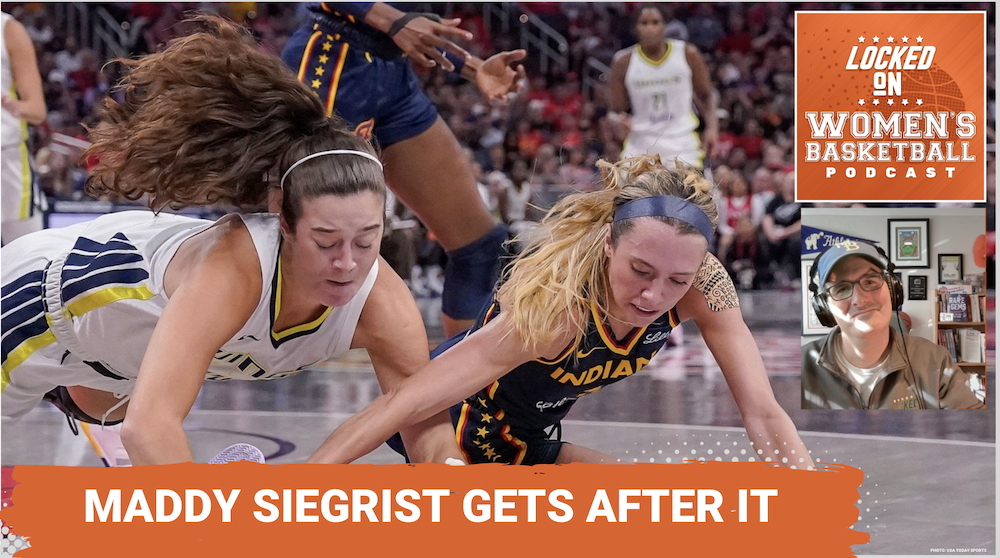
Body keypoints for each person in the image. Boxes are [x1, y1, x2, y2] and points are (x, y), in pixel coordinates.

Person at [0, 16, 460, 466]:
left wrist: (450, 471)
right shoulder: (236, 269)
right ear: (283, 217)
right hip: (35, 304)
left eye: (366, 241)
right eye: (325, 242)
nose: (346, 264)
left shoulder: (383, 305)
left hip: (114, 371)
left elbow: (423, 426)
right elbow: (150, 426)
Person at [306, 155, 815, 468]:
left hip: (528, 443)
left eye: (676, 280)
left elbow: (764, 413)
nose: (655, 296)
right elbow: (406, 403)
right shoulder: (560, 313)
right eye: (640, 270)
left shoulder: (707, 284)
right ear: (609, 245)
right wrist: (296, 488)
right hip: (452, 428)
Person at [280, 3, 526, 336]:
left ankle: (466, 381)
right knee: (310, 238)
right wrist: (395, 23)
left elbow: (410, 20)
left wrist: (471, 66)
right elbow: (400, 21)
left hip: (393, 70)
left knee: (481, 250)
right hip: (331, 62)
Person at [802, 240, 984, 410]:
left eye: (870, 281)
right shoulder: (803, 366)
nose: (860, 299)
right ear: (824, 307)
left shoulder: (935, 360)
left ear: (892, 289)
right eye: (842, 289)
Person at [608, 4, 718, 170]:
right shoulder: (623, 61)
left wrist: (712, 128)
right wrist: (616, 122)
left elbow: (707, 95)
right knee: (627, 194)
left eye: (655, 22)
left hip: (682, 140)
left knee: (692, 192)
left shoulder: (688, 54)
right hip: (641, 142)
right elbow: (616, 111)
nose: (650, 28)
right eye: (644, 23)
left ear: (665, 25)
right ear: (635, 28)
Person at [1, 10, 47, 244]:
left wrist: (15, 107)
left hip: (7, 160)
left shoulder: (8, 29)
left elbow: (37, 109)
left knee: (25, 257)